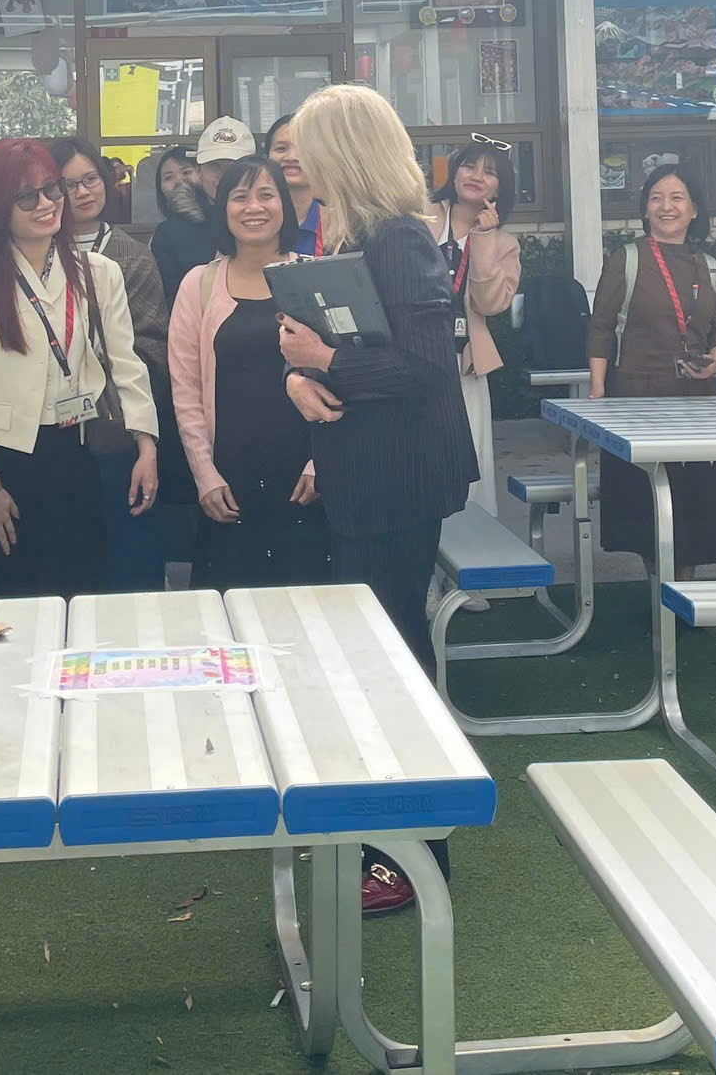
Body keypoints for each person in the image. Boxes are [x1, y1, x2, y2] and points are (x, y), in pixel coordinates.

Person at [274, 85, 476, 919]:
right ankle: (388, 836)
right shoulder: (354, 231)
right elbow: (351, 357)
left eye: (306, 145)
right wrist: (299, 377)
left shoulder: (398, 237)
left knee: (391, 659)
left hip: (399, 480)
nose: (293, 160)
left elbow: (430, 369)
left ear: (344, 151)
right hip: (366, 470)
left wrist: (325, 358)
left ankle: (415, 853)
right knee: (374, 654)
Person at [0, 139, 155, 600]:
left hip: (71, 454)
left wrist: (146, 444)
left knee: (75, 595)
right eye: (26, 196)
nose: (47, 204)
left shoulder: (98, 271)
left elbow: (126, 364)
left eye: (51, 190)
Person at [170, 154, 329, 591]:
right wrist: (205, 475)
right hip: (229, 480)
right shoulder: (198, 284)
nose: (253, 207)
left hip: (303, 479)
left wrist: (322, 465)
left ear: (286, 205)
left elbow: (341, 381)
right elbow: (184, 391)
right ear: (222, 209)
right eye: (240, 197)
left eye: (266, 195)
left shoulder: (315, 278)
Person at [585, 165, 716, 575]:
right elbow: (601, 327)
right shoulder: (628, 259)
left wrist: (715, 362)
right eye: (656, 198)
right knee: (647, 499)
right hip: (639, 396)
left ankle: (686, 590)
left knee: (696, 499)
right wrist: (598, 391)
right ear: (645, 209)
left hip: (699, 400)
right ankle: (660, 591)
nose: (665, 206)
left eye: (676, 198)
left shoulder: (708, 265)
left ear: (694, 210)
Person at [52, 137, 177, 591]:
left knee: (127, 561)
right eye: (68, 185)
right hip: (52, 436)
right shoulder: (34, 251)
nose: (83, 193)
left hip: (115, 431)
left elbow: (152, 348)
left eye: (90, 180)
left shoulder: (131, 256)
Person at [433, 137, 523, 519]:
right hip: (410, 355)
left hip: (463, 363)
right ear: (453, 173)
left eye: (489, 172)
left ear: (500, 188)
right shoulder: (419, 220)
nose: (476, 177)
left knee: (468, 461)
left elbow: (491, 304)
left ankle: (468, 558)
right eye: (469, 166)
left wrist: (484, 240)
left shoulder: (504, 244)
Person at [149, 119, 252, 294]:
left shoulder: (270, 220)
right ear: (198, 171)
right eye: (214, 166)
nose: (224, 176)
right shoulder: (171, 234)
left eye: (234, 167)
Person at [265, 113, 327, 256]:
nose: (292, 157)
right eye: (281, 149)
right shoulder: (252, 216)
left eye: (303, 150)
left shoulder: (340, 223)